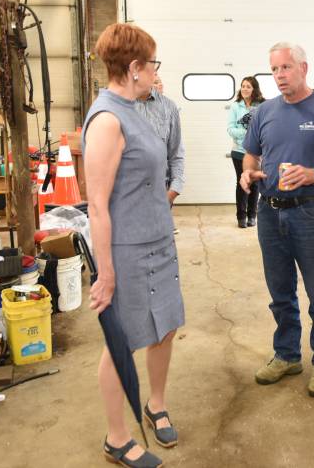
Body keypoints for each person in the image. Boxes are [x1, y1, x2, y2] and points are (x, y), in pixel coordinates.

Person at [83, 23, 184, 468]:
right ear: (135, 67)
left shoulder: (136, 108)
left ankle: (155, 404)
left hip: (158, 239)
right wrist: (106, 274)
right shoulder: (107, 119)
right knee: (121, 343)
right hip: (126, 248)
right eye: (153, 63)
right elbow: (97, 207)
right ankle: (117, 438)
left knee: (165, 327)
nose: (155, 71)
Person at [240, 42, 314, 398]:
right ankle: (287, 355)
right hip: (269, 211)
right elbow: (250, 156)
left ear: (304, 68)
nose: (279, 76)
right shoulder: (264, 113)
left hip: (310, 211)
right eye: (274, 69)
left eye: (286, 68)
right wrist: (247, 175)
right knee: (280, 292)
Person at [136, 75, 185, 234]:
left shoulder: (168, 107)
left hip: (160, 191)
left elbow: (176, 153)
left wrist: (173, 191)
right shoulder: (119, 105)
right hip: (127, 196)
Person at [227, 76, 265, 228]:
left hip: (257, 152)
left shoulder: (262, 105)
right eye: (243, 86)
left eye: (248, 86)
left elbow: (264, 128)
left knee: (254, 184)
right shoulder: (236, 106)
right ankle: (241, 217)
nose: (245, 89)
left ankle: (252, 215)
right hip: (239, 151)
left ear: (254, 89)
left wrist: (253, 133)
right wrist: (247, 132)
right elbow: (230, 129)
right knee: (241, 183)